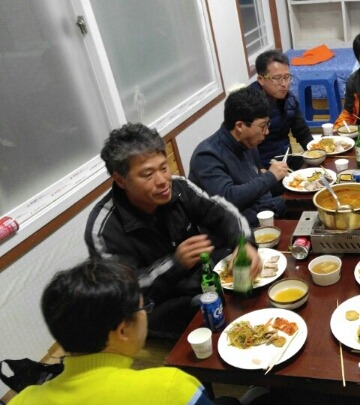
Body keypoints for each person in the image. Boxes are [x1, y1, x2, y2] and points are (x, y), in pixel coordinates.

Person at [85, 123, 261, 338]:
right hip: (158, 307)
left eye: (163, 167)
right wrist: (175, 263)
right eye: (148, 174)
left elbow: (223, 213)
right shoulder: (103, 229)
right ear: (121, 180)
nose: (162, 181)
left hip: (202, 280)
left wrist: (244, 244)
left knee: (255, 292)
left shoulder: (178, 187)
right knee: (221, 328)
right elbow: (123, 291)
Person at [9, 259, 268, 404]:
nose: (146, 313)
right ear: (122, 330)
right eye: (145, 308)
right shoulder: (171, 388)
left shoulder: (23, 399)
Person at [189, 87, 288, 226]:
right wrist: (270, 177)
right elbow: (228, 198)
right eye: (262, 126)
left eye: (268, 124)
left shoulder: (247, 143)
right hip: (231, 232)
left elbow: (258, 185)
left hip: (261, 215)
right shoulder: (206, 156)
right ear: (240, 126)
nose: (267, 132)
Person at [250, 50, 314, 171]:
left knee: (321, 171)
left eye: (287, 77)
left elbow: (302, 132)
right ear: (261, 79)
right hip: (264, 168)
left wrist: (315, 152)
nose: (284, 84)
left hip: (287, 161)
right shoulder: (249, 104)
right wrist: (261, 171)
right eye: (277, 78)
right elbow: (245, 147)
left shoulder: (289, 99)